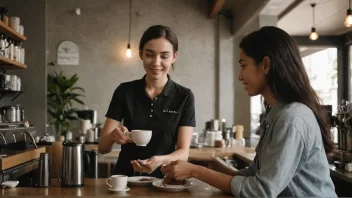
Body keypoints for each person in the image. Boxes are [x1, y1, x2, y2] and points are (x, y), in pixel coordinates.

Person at [161, 26, 337, 197]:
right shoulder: (276, 113)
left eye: (243, 66)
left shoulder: (292, 118)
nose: (240, 76)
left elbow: (260, 191)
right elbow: (254, 175)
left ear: (266, 64)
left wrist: (196, 171)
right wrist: (212, 166)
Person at [98, 25, 196, 178]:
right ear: (141, 54)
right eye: (150, 54)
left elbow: (183, 153)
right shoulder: (124, 91)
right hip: (126, 179)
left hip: (165, 180)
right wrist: (112, 137)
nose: (156, 63)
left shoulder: (184, 96)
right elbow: (103, 148)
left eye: (164, 56)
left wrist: (158, 161)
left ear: (174, 57)